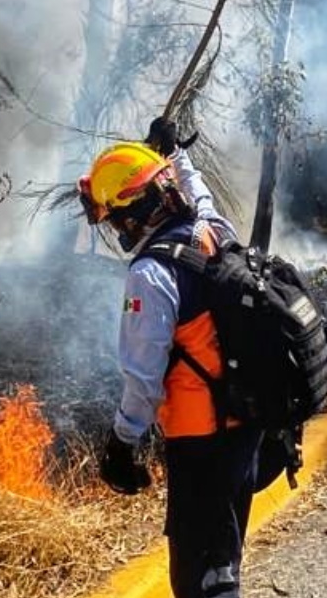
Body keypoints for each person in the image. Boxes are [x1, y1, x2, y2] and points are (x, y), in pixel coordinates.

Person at [77, 118, 264, 598]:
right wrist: (176, 152)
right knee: (223, 561)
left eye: (114, 218)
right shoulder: (211, 229)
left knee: (201, 581)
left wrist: (123, 442)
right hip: (245, 427)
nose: (115, 228)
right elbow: (199, 191)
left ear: (131, 216)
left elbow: (144, 378)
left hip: (201, 442)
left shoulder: (150, 274)